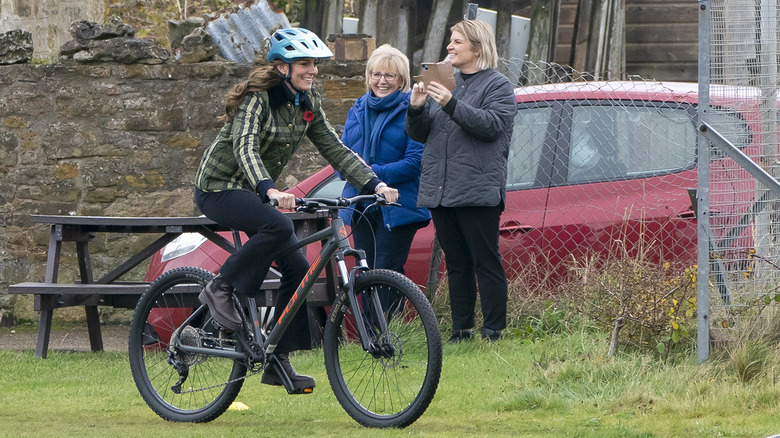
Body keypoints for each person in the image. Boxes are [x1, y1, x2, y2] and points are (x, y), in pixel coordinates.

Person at [194, 28, 399, 393]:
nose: (313, 71)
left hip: (256, 192)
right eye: (304, 64)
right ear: (282, 67)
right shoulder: (257, 99)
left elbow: (335, 149)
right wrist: (269, 189)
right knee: (275, 225)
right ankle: (220, 287)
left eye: (314, 64)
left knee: (300, 268)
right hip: (219, 188)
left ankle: (277, 359)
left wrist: (375, 185)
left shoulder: (307, 102)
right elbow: (245, 148)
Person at [405, 20, 517, 343]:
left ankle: (494, 331)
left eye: (456, 42)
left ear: (477, 48)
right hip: (442, 190)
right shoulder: (444, 82)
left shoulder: (497, 86)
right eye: (449, 42)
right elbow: (421, 133)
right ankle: (461, 330)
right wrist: (415, 109)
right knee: (456, 264)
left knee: (485, 261)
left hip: (477, 190)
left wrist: (449, 103)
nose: (449, 47)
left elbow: (491, 126)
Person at [339, 44, 431, 315]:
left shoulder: (412, 111)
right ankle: (371, 334)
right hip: (361, 205)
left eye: (389, 75)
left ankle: (387, 334)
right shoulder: (356, 110)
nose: (382, 81)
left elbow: (415, 163)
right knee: (365, 273)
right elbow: (340, 158)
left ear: (402, 79)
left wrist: (370, 172)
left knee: (388, 271)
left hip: (398, 206)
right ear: (368, 77)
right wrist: (358, 175)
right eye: (376, 74)